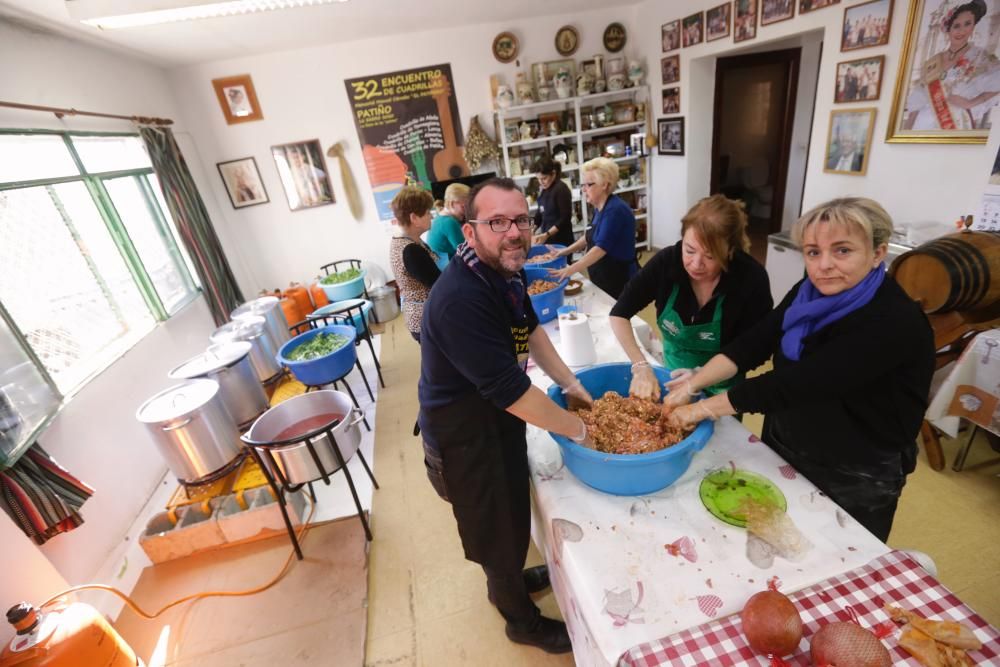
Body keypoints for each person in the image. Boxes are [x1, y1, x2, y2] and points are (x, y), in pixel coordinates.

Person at [663, 197, 935, 541]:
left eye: (842, 251)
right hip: (787, 437)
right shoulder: (809, 292)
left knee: (837, 554)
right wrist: (694, 383)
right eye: (812, 252)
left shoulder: (895, 321)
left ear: (877, 253)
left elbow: (799, 383)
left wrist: (702, 408)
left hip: (854, 466)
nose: (823, 266)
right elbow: (755, 342)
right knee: (771, 531)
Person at [418, 178, 594, 654]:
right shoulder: (461, 299)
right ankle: (521, 621)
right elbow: (512, 392)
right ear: (469, 231)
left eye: (521, 220)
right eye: (497, 222)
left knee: (514, 514)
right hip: (464, 441)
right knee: (495, 529)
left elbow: (531, 329)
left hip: (495, 422)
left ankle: (511, 579)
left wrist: (573, 385)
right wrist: (580, 430)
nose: (514, 232)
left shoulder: (506, 269)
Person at [611, 195, 772, 400]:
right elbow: (619, 313)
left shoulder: (750, 279)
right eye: (689, 250)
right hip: (672, 378)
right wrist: (640, 366)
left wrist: (699, 377)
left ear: (731, 250)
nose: (696, 264)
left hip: (723, 388)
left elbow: (756, 348)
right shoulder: (666, 263)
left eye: (710, 256)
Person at [904, 0, 1000, 131]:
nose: (962, 30)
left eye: (967, 24)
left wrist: (970, 103)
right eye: (956, 26)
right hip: (922, 126)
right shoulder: (932, 62)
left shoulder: (980, 57)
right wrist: (907, 132)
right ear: (948, 29)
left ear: (973, 26)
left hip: (956, 124)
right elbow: (917, 101)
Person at [550, 157, 638, 299]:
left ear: (604, 184)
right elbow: (589, 236)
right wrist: (564, 252)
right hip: (603, 276)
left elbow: (599, 249)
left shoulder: (615, 211)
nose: (584, 190)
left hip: (619, 280)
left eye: (588, 185)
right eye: (582, 185)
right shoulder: (600, 207)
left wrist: (569, 270)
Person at [388, 186, 440, 342]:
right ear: (414, 218)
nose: (431, 216)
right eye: (427, 213)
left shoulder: (404, 241)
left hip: (421, 316)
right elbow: (439, 284)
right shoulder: (411, 251)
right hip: (425, 319)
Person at [530, 157, 574, 247]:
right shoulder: (545, 189)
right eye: (538, 179)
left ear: (553, 174)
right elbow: (540, 213)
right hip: (548, 239)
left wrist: (547, 234)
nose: (541, 182)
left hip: (562, 241)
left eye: (544, 178)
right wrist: (532, 228)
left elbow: (565, 218)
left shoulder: (561, 189)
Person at [425, 183, 469, 261]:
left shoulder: (441, 216)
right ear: (452, 204)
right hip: (447, 266)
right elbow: (465, 251)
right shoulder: (449, 222)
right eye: (464, 207)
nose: (467, 210)